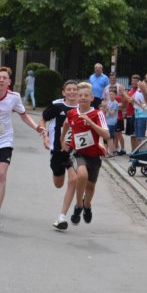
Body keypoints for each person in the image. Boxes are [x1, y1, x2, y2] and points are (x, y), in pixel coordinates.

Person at [0, 66, 44, 230]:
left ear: (9, 82)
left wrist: (36, 127)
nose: (1, 80)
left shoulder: (14, 97)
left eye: (4, 78)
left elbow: (23, 115)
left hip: (4, 141)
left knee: (1, 175)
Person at [59, 82, 109, 225]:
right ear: (77, 98)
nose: (82, 98)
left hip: (94, 155)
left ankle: (87, 205)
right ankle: (78, 205)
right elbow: (66, 124)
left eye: (86, 95)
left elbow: (106, 135)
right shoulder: (72, 113)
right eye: (80, 95)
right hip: (77, 152)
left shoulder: (97, 114)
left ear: (92, 98)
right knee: (81, 175)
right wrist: (62, 140)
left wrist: (90, 122)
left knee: (90, 187)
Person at [42, 80, 80, 230]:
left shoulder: (82, 109)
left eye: (74, 89)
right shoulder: (57, 106)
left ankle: (62, 216)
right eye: (69, 89)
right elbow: (43, 119)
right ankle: (58, 172)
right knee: (58, 184)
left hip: (75, 151)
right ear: (64, 92)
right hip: (57, 151)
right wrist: (45, 135)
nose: (72, 92)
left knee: (74, 179)